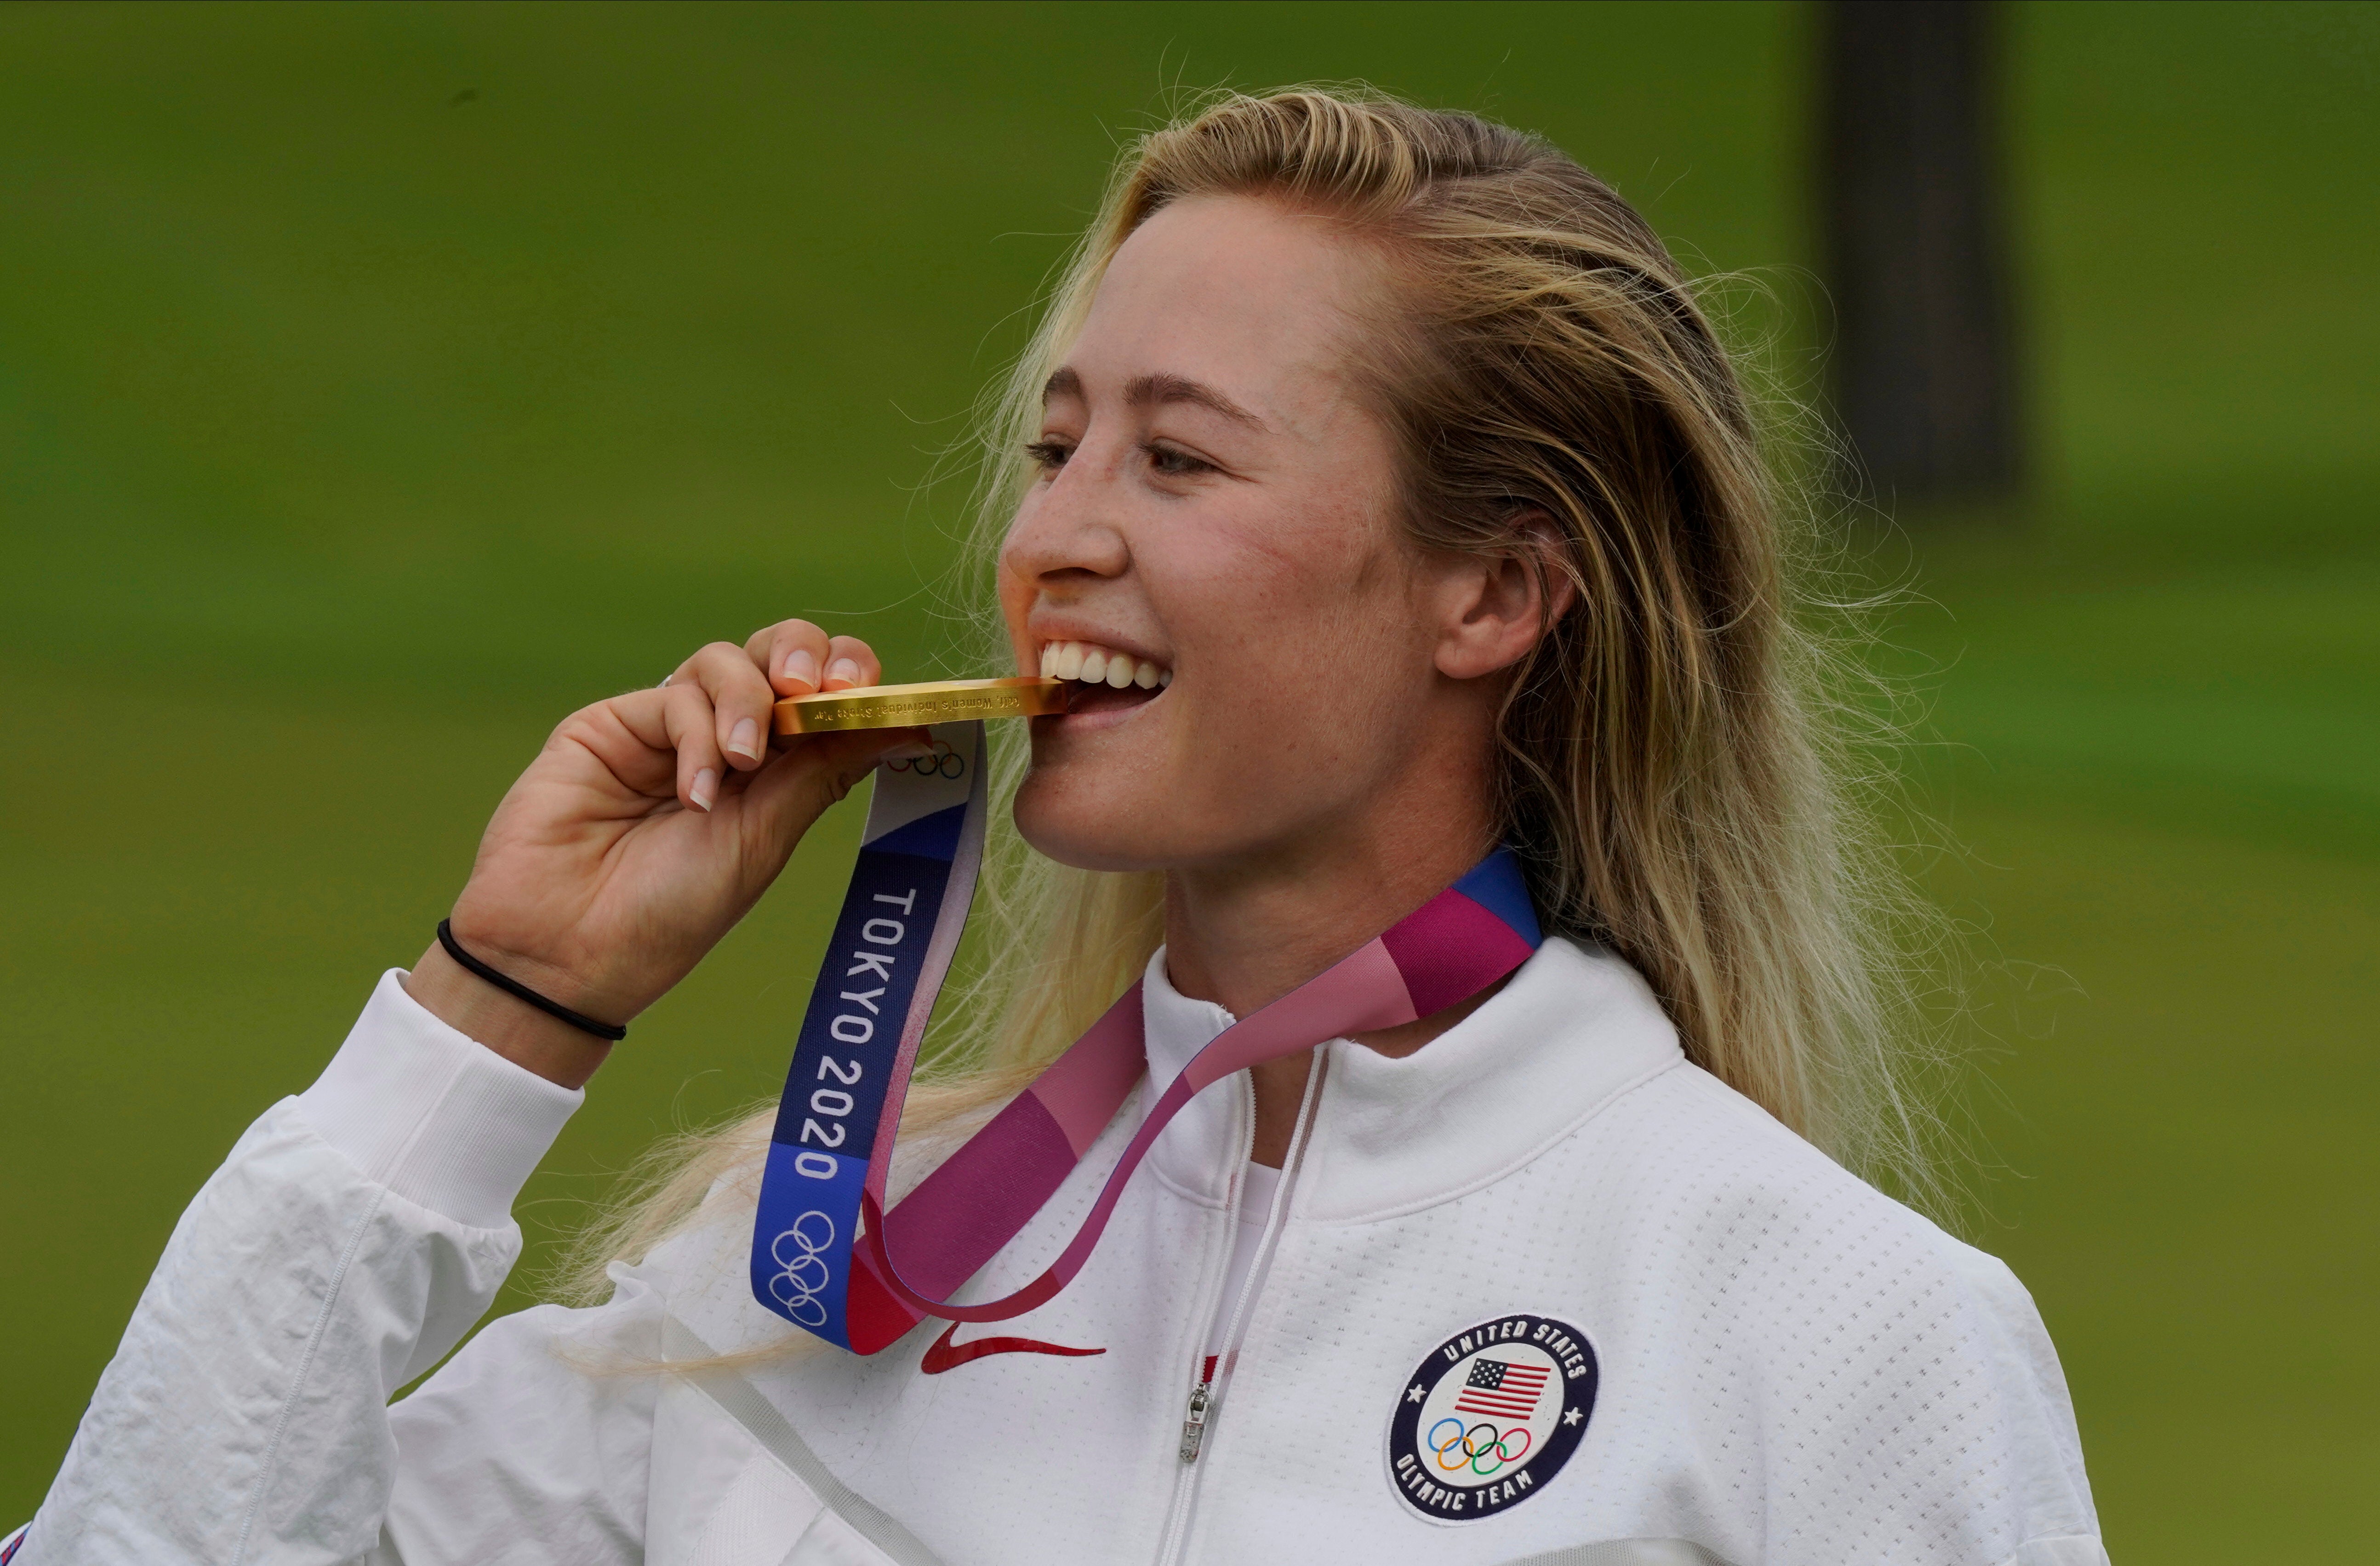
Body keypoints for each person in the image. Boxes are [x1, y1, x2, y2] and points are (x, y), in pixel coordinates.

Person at [11, 90, 2106, 1566]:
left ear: (1491, 595)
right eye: (1056, 442)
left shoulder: (1817, 1321)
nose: (1057, 538)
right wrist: (498, 1016)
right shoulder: (804, 1276)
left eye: (1179, 461)